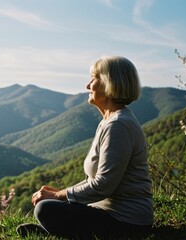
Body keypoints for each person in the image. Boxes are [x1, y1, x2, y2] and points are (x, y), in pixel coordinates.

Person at [17, 56, 153, 239]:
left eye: (94, 77)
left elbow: (103, 185)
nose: (88, 85)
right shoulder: (108, 122)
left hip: (127, 222)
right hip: (108, 213)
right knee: (51, 206)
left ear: (108, 83)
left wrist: (58, 196)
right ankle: (57, 232)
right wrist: (59, 193)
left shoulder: (118, 125)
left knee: (45, 208)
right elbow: (93, 180)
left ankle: (56, 233)